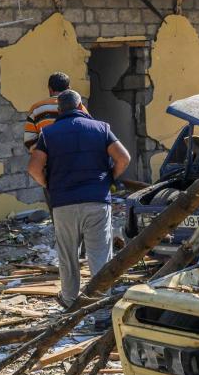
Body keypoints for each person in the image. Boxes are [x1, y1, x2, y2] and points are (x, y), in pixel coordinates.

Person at [27, 90, 130, 322]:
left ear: (59, 111)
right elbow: (124, 158)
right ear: (80, 106)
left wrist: (48, 184)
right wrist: (109, 178)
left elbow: (33, 168)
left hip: (63, 204)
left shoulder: (48, 133)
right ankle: (102, 312)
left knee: (67, 255)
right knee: (100, 255)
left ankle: (71, 306)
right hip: (96, 200)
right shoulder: (101, 128)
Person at [24, 72, 88, 150]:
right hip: (73, 157)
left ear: (49, 88)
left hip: (47, 159)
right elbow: (87, 132)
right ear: (68, 88)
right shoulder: (79, 107)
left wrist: (44, 154)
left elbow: (29, 141)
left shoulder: (36, 108)